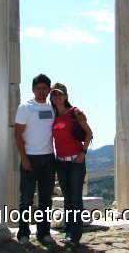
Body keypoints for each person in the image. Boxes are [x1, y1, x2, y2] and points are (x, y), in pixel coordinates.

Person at [14, 74, 56, 245]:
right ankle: (23, 234)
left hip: (48, 158)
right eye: (38, 88)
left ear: (49, 90)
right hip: (30, 157)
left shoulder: (52, 108)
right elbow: (17, 134)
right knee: (26, 198)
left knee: (46, 198)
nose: (41, 91)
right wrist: (23, 158)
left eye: (44, 88)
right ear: (32, 89)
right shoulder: (25, 107)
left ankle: (43, 232)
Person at [50, 82, 93, 246]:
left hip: (76, 161)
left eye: (60, 94)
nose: (57, 97)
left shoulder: (74, 112)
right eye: (54, 94)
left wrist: (83, 153)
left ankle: (74, 236)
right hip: (61, 163)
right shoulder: (53, 116)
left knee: (75, 198)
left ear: (66, 96)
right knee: (68, 199)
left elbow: (89, 133)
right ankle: (69, 232)